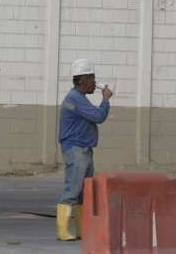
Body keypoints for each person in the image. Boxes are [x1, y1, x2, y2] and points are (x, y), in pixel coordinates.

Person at [56, 57, 113, 241]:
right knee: (73, 189)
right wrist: (105, 100)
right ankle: (63, 231)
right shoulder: (76, 99)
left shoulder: (78, 98)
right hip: (76, 149)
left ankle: (79, 230)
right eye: (92, 78)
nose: (94, 82)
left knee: (83, 191)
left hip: (83, 148)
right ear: (82, 79)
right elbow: (98, 116)